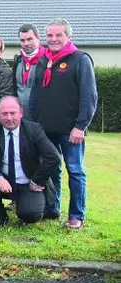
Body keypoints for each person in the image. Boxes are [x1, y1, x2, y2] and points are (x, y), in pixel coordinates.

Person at [29, 18, 98, 229]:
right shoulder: (43, 60)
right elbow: (35, 95)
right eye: (50, 35)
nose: (54, 39)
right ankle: (52, 208)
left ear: (68, 36)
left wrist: (80, 126)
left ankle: (76, 215)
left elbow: (89, 96)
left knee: (75, 170)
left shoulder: (80, 60)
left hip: (71, 130)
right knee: (51, 169)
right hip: (45, 129)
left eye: (58, 35)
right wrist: (32, 124)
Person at [0, 96, 61, 226]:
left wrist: (37, 180)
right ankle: (0, 216)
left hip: (28, 182)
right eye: (4, 114)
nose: (9, 118)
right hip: (3, 181)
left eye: (13, 113)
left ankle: (27, 206)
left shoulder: (34, 130)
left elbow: (53, 157)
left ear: (21, 113)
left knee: (30, 215)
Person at [13, 24, 45, 114]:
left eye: (29, 39)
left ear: (38, 38)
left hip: (41, 116)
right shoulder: (18, 60)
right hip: (21, 117)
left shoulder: (47, 61)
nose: (26, 43)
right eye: (22, 40)